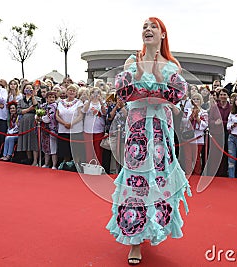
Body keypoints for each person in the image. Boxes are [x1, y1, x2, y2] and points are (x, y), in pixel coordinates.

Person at [106, 17, 190, 265]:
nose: (148, 30)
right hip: (138, 134)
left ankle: (152, 228)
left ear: (163, 34)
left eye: (153, 26)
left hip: (162, 134)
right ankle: (134, 242)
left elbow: (177, 95)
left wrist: (153, 78)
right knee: (136, 181)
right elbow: (123, 93)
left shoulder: (172, 65)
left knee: (159, 181)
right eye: (144, 26)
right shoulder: (132, 62)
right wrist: (144, 78)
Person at [55, 84, 84, 165]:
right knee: (65, 150)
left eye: (74, 91)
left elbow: (80, 115)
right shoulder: (61, 102)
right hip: (63, 130)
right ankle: (66, 165)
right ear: (66, 92)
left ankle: (76, 166)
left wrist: (71, 124)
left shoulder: (79, 102)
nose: (72, 92)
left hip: (75, 130)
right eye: (70, 90)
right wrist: (64, 123)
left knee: (76, 150)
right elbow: (57, 115)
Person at [181, 93, 208, 175]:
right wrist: (190, 118)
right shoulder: (187, 111)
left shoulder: (204, 112)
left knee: (197, 158)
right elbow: (183, 123)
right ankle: (188, 173)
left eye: (198, 99)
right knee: (188, 157)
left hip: (199, 137)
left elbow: (206, 125)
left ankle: (197, 174)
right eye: (194, 99)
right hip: (188, 137)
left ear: (201, 101)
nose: (196, 101)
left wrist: (198, 119)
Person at [16, 83, 41, 166]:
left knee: (33, 140)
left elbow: (36, 107)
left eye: (30, 88)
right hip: (23, 122)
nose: (28, 90)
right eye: (27, 88)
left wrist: (33, 96)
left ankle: (35, 160)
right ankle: (29, 159)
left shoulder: (37, 98)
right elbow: (19, 111)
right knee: (26, 140)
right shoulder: (20, 100)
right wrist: (28, 109)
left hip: (33, 120)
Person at [82, 87, 106, 165]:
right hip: (88, 130)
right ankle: (89, 167)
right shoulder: (86, 102)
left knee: (98, 150)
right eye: (93, 92)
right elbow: (84, 111)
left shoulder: (103, 102)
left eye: (97, 93)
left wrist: (101, 102)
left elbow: (104, 113)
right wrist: (89, 100)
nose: (95, 94)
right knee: (88, 150)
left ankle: (98, 167)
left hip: (98, 130)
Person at [40, 91, 59, 169]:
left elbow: (49, 118)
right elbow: (39, 114)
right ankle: (46, 163)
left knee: (53, 147)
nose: (51, 99)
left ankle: (54, 165)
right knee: (45, 147)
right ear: (46, 98)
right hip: (44, 129)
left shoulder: (55, 106)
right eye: (50, 97)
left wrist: (42, 118)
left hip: (52, 129)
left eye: (53, 97)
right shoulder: (43, 106)